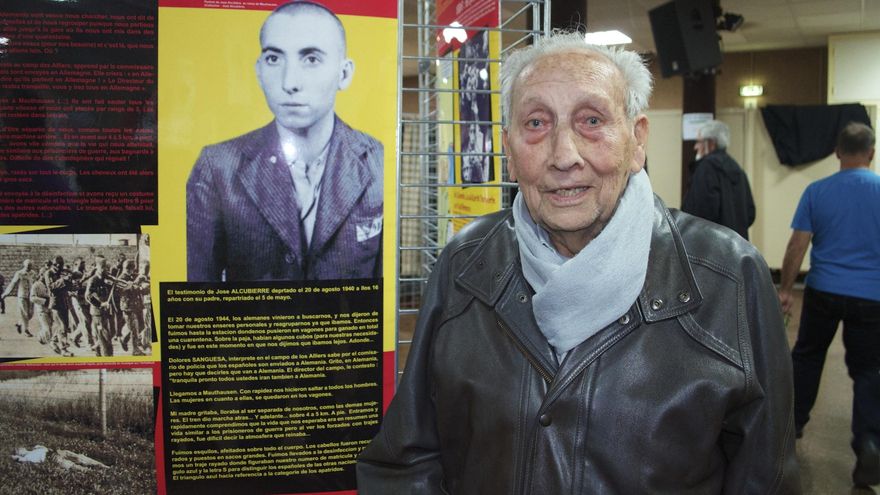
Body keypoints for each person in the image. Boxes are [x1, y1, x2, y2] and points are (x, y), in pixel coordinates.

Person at [357, 33, 799, 493]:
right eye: (536, 123)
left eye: (591, 120)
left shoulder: (729, 277)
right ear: (508, 149)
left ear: (637, 140)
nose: (564, 156)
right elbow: (407, 457)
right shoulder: (465, 264)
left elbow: (764, 479)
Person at [186, 0, 383, 282]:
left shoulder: (378, 159)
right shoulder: (218, 167)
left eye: (311, 59)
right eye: (274, 58)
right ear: (259, 71)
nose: (290, 82)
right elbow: (197, 294)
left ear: (344, 74)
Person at [778, 121, 880, 490]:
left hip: (824, 290)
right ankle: (869, 442)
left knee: (806, 357)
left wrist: (786, 289)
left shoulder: (817, 190)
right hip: (873, 296)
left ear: (838, 152)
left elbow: (797, 245)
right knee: (870, 371)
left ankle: (791, 430)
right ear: (871, 151)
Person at [682, 119, 756, 240]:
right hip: (738, 248)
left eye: (699, 142)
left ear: (711, 143)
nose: (695, 147)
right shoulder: (738, 170)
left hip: (711, 248)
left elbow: (699, 213)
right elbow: (750, 214)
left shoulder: (706, 168)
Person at [85, 256, 115, 357]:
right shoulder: (93, 280)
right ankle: (108, 359)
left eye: (106, 267)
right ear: (97, 267)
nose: (105, 270)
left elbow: (115, 286)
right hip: (97, 313)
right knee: (104, 337)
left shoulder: (106, 278)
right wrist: (100, 304)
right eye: (103, 267)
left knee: (104, 335)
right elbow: (88, 296)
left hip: (106, 312)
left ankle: (98, 353)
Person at [44, 256, 73, 356]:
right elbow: (51, 287)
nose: (58, 267)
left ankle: (53, 340)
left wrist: (70, 280)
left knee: (65, 325)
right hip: (56, 303)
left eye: (60, 265)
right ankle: (63, 349)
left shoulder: (62, 272)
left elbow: (68, 286)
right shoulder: (48, 273)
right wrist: (63, 280)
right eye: (56, 265)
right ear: (53, 264)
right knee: (62, 326)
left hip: (64, 301)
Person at [1, 259, 34, 337]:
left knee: (30, 314)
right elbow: (13, 283)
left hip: (31, 295)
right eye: (27, 266)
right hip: (22, 295)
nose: (29, 268)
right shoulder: (19, 273)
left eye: (30, 266)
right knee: (24, 313)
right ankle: (26, 330)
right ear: (24, 265)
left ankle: (19, 323)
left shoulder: (33, 273)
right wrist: (5, 293)